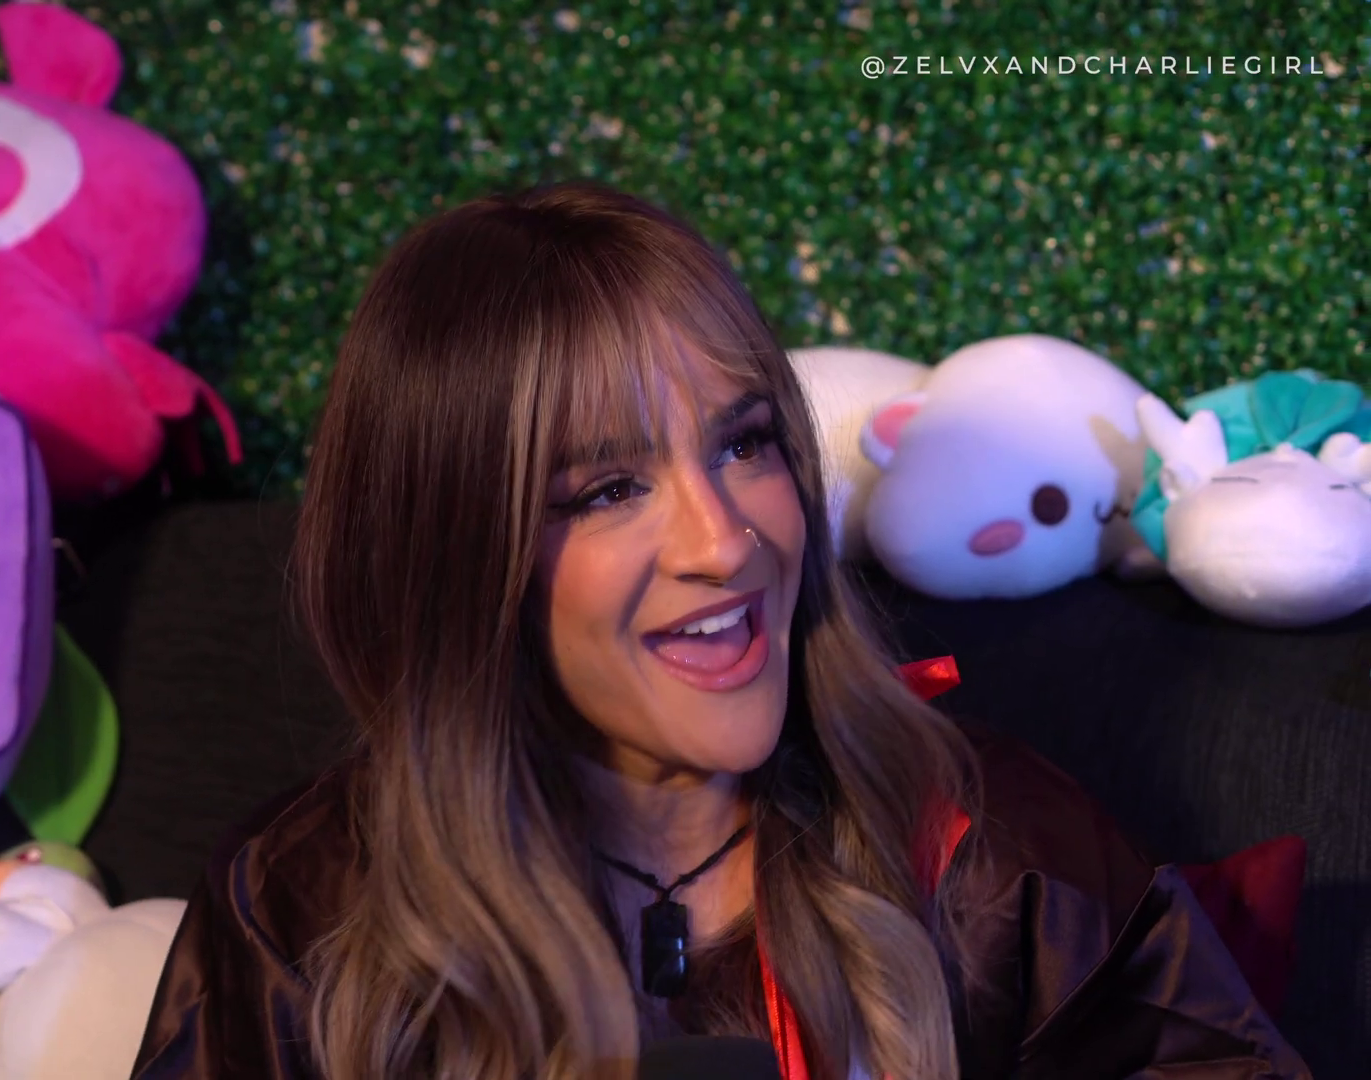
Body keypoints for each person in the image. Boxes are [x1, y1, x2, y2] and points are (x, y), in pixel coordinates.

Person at [129, 181, 1309, 1080]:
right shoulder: (296, 907)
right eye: (607, 490)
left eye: (744, 443)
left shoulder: (993, 853)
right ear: (456, 561)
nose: (727, 539)